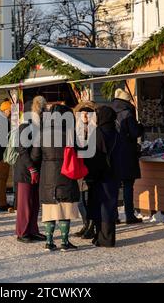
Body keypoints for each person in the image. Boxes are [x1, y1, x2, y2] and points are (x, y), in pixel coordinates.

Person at [31, 104, 80, 252]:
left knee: (50, 210)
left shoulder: (41, 133)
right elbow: (78, 151)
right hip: (66, 173)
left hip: (47, 175)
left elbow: (34, 156)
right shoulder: (69, 133)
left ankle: (49, 241)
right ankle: (65, 242)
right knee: (65, 208)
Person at [14, 97, 47, 243]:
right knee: (25, 203)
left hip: (36, 168)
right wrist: (32, 168)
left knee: (34, 202)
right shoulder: (25, 126)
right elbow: (22, 150)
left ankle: (33, 229)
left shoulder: (38, 126)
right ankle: (22, 231)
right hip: (25, 170)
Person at [87, 106, 120, 247]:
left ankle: (103, 237)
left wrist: (90, 174)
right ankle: (106, 237)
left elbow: (93, 155)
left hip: (100, 174)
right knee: (110, 205)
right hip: (114, 173)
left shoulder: (98, 132)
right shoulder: (117, 132)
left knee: (100, 206)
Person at [111, 89, 144, 224]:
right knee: (128, 186)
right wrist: (140, 126)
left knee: (114, 186)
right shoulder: (128, 113)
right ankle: (129, 215)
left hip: (114, 153)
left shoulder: (111, 112)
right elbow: (135, 132)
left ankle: (114, 215)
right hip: (127, 154)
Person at [72, 100, 97, 239]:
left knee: (88, 199)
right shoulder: (77, 130)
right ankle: (85, 224)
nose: (85, 116)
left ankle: (91, 226)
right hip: (79, 168)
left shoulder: (94, 129)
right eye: (82, 114)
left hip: (90, 168)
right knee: (80, 200)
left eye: (87, 113)